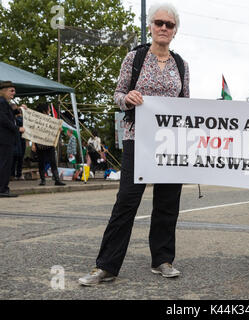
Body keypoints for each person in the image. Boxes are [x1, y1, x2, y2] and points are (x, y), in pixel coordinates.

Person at [79, 2, 190, 286]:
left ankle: (162, 260)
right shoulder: (135, 58)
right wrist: (127, 99)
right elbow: (118, 94)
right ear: (151, 27)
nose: (164, 28)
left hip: (171, 143)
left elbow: (187, 105)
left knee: (168, 202)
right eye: (159, 23)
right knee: (126, 202)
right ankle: (106, 266)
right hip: (137, 139)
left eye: (169, 24)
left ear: (175, 31)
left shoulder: (181, 64)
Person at [0, 81, 25, 197]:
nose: (14, 93)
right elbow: (4, 120)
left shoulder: (0, 102)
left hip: (0, 137)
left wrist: (18, 110)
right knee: (5, 164)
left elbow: (9, 113)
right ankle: (3, 189)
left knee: (0, 163)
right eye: (11, 91)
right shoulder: (1, 102)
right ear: (4, 90)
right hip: (4, 137)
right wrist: (17, 128)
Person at [31, 103, 66, 186]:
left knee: (52, 162)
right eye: (49, 108)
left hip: (50, 144)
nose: (50, 110)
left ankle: (56, 179)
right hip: (40, 144)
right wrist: (33, 144)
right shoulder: (37, 119)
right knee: (42, 162)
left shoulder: (51, 119)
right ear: (45, 110)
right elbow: (33, 132)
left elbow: (54, 130)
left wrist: (59, 130)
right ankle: (43, 180)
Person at [11, 104, 26, 180]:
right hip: (16, 140)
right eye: (16, 109)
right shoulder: (14, 119)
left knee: (20, 158)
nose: (18, 111)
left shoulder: (18, 119)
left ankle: (17, 174)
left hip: (21, 140)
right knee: (14, 158)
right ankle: (13, 174)